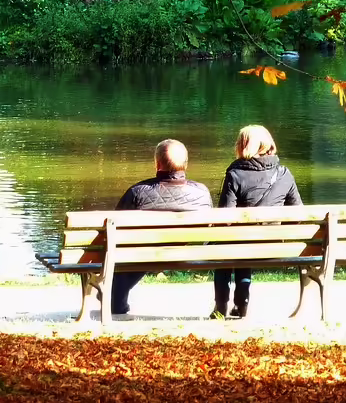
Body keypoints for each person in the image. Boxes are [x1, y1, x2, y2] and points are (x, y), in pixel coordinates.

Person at [109, 138, 213, 315]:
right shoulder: (201, 192)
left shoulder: (138, 192)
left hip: (146, 253)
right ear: (186, 164)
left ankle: (116, 301)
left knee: (128, 250)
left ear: (157, 164)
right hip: (190, 251)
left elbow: (117, 226)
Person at [213, 125, 302, 319]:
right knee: (242, 243)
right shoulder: (284, 173)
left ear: (242, 145)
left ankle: (221, 307)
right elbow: (298, 214)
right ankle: (242, 305)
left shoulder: (235, 174)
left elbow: (225, 218)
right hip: (273, 245)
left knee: (226, 244)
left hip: (240, 242)